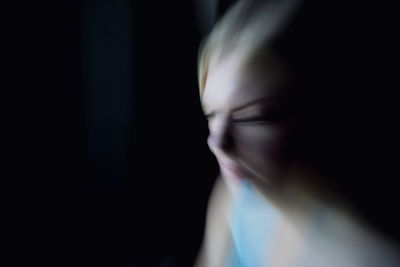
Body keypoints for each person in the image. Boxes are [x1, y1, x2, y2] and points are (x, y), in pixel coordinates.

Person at [194, 0, 400, 266]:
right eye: (211, 113)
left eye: (255, 116)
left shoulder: (371, 255)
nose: (217, 142)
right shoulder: (236, 198)